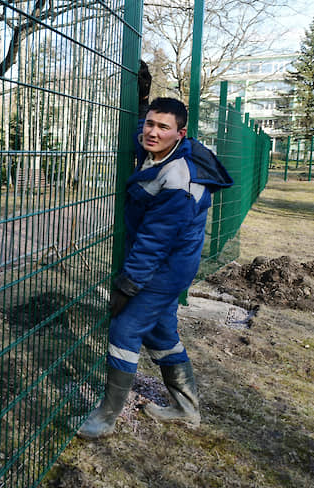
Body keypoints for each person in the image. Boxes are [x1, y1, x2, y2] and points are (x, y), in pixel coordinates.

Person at [78, 97, 232, 439]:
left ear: (181, 133)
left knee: (125, 330)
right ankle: (186, 407)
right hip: (162, 261)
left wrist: (129, 284)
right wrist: (140, 94)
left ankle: (106, 415)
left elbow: (156, 240)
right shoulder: (159, 147)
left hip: (167, 267)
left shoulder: (179, 178)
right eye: (150, 123)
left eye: (163, 127)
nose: (152, 132)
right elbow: (141, 129)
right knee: (161, 333)